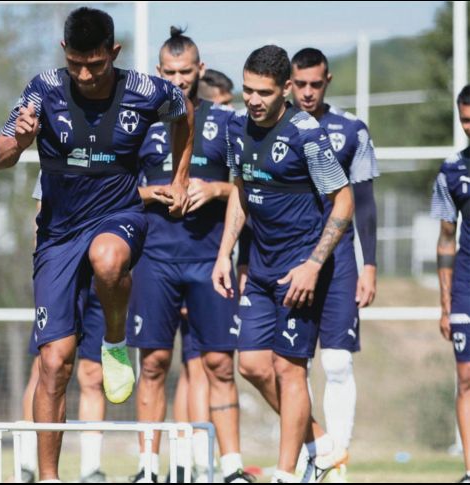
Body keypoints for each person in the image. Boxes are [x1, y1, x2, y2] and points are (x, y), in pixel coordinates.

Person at [0, 8, 193, 481]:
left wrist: (180, 179)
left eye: (95, 64)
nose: (85, 74)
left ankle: (115, 341)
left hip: (119, 215)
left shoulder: (147, 91)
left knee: (107, 259)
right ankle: (50, 476)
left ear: (113, 53)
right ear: (65, 53)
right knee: (54, 363)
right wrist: (18, 143)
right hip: (58, 235)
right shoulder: (42, 89)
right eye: (76, 63)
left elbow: (184, 111)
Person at [212, 45, 353, 483]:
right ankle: (321, 445)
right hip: (258, 268)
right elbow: (239, 190)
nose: (252, 100)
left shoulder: (307, 134)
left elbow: (343, 203)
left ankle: (287, 473)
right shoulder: (238, 129)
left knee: (289, 370)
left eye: (263, 92)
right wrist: (225, 253)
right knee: (252, 364)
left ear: (286, 90)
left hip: (299, 271)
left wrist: (313, 265)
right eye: (248, 90)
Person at [127, 27, 252, 484]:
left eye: (186, 72)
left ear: (200, 70)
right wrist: (150, 192)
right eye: (170, 73)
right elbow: (117, 191)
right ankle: (147, 467)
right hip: (154, 261)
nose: (178, 80)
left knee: (220, 363)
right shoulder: (139, 123)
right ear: (158, 73)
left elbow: (248, 186)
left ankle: (232, 466)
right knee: (155, 363)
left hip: (209, 261)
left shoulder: (227, 123)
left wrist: (216, 189)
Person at [290, 47, 379, 481]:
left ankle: (337, 461)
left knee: (338, 362)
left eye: (315, 84)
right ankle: (312, 451)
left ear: (328, 81)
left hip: (340, 259)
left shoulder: (351, 130)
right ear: (288, 83)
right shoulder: (275, 127)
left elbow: (363, 204)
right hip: (289, 258)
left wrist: (371, 266)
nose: (307, 92)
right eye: (300, 84)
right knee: (294, 364)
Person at [19, 174, 110, 484]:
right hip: (61, 277)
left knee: (92, 376)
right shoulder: (55, 155)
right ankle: (27, 465)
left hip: (103, 280)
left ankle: (91, 469)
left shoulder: (120, 150)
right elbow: (40, 217)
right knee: (45, 368)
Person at [431, 84, 470, 485]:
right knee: (466, 378)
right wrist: (445, 305)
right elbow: (445, 239)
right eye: (465, 120)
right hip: (466, 287)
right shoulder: (451, 171)